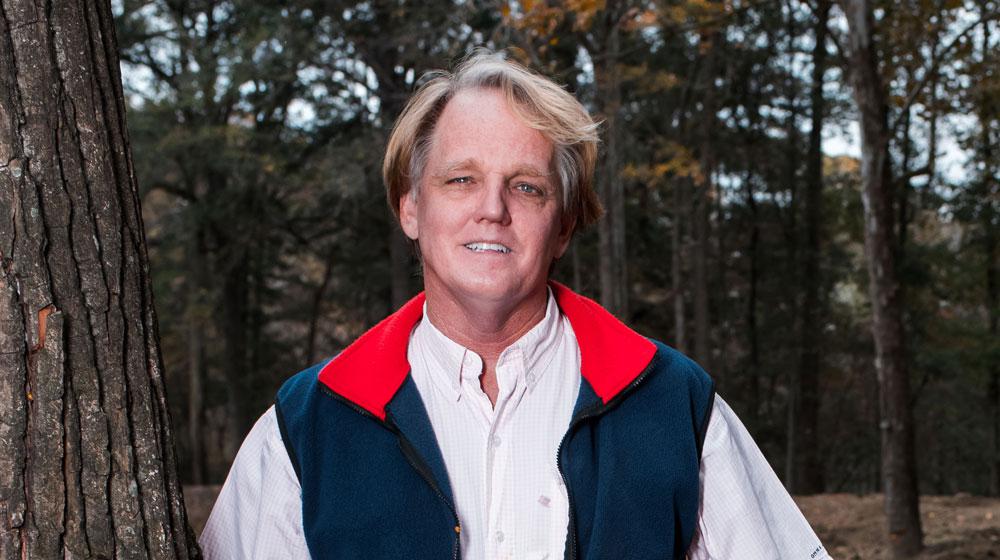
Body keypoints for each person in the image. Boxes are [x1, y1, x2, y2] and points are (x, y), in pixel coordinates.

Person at [200, 51, 830, 560]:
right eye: (461, 179)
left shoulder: (674, 405)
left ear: (563, 226)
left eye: (526, 187)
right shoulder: (308, 424)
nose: (493, 209)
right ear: (411, 206)